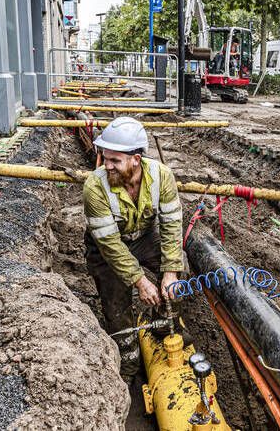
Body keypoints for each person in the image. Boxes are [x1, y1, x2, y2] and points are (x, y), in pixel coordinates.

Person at [82, 117, 185, 377]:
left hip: (145, 237)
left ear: (136, 159)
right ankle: (127, 363)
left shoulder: (162, 176)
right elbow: (110, 245)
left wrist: (170, 272)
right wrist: (140, 281)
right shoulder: (95, 187)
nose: (107, 166)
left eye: (115, 160)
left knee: (179, 268)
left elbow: (172, 225)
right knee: (116, 305)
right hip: (107, 249)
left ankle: (162, 324)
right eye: (105, 159)